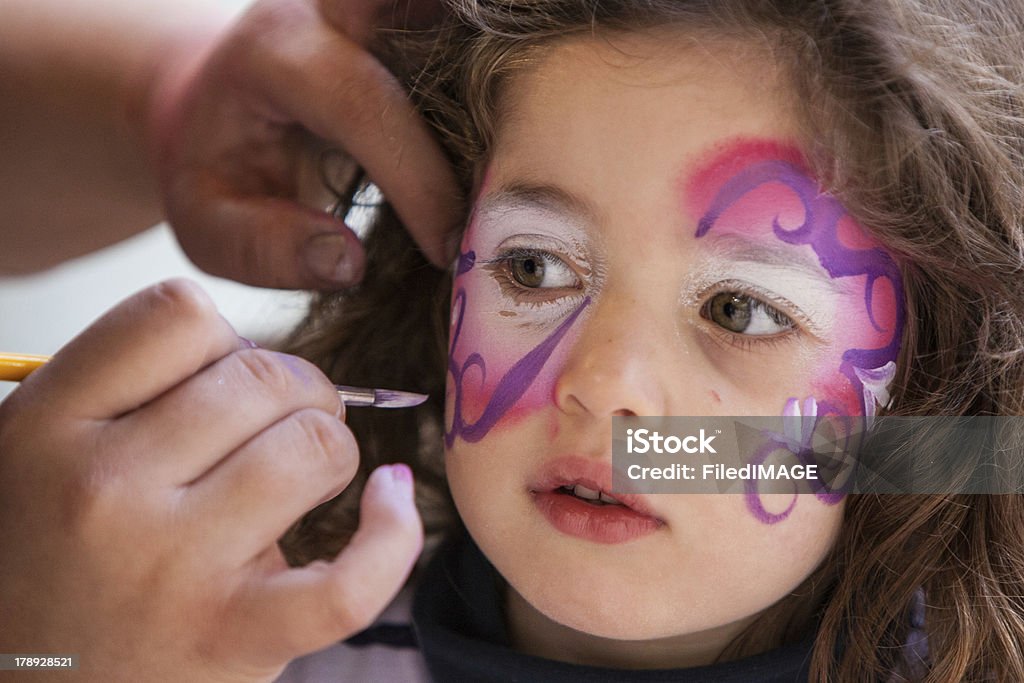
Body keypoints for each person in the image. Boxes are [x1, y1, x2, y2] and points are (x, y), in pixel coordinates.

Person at [275, 0, 1024, 681]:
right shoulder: (267, 650)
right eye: (534, 267)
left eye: (739, 309)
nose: (605, 383)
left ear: (922, 388)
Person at [0, 0, 460, 680]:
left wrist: (164, 97)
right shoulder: (243, 622)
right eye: (533, 267)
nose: (608, 382)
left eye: (687, 306)